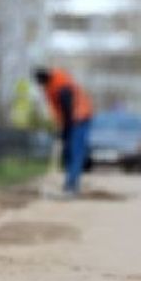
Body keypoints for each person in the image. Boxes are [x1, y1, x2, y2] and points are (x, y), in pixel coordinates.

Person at [34, 65, 94, 196]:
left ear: (46, 78)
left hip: (80, 118)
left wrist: (64, 130)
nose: (41, 86)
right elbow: (58, 111)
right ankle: (69, 184)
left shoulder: (61, 83)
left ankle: (71, 186)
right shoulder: (49, 86)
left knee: (75, 152)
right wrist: (60, 129)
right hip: (70, 120)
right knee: (67, 153)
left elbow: (67, 109)